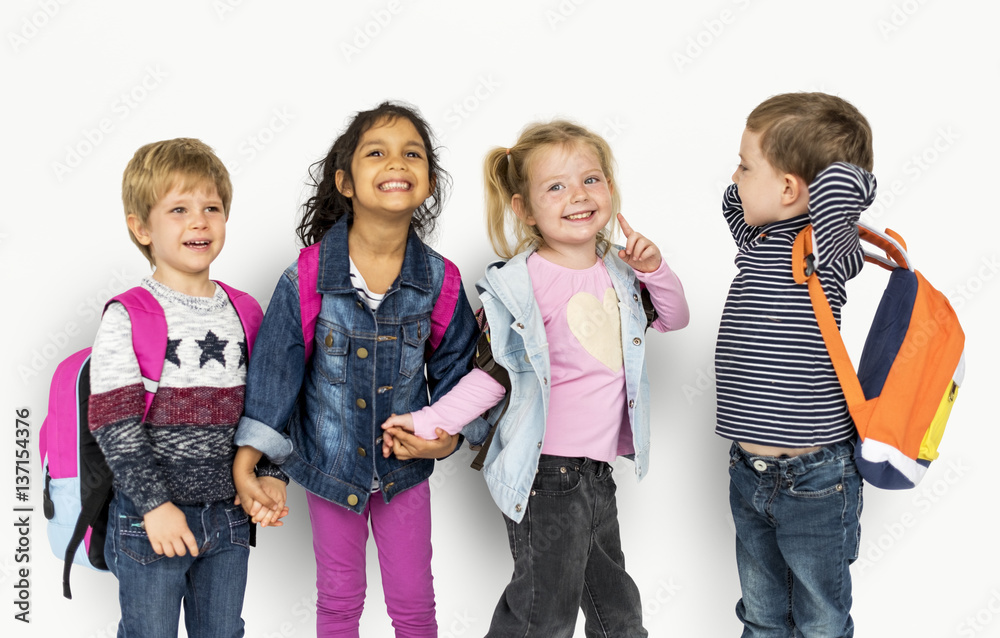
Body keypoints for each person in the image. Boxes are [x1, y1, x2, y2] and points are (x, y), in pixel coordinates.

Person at [382, 120, 690, 636]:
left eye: (591, 180)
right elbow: (493, 377)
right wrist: (429, 419)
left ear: (610, 189)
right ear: (524, 208)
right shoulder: (520, 286)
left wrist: (655, 268)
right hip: (546, 475)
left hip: (596, 473)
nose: (578, 196)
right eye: (556, 186)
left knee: (616, 606)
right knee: (542, 610)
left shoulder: (620, 271)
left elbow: (673, 316)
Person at [231, 102, 478, 637]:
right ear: (345, 180)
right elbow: (276, 377)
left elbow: (463, 378)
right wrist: (248, 462)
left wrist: (448, 441)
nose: (397, 162)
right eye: (376, 152)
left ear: (429, 182)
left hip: (405, 474)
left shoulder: (440, 281)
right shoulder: (306, 278)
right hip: (330, 470)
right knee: (340, 601)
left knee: (414, 602)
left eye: (412, 153)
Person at [89, 138, 285, 637]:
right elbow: (114, 424)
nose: (199, 221)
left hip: (229, 519)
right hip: (149, 520)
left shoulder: (246, 312)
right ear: (141, 228)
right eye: (178, 209)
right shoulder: (129, 314)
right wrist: (154, 506)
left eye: (211, 208)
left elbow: (272, 406)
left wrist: (270, 475)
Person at [715, 92, 877, 637]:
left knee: (820, 621)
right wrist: (761, 176)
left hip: (816, 479)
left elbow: (845, 186)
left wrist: (816, 169)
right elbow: (731, 202)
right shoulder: (759, 240)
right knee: (761, 616)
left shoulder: (828, 249)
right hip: (749, 471)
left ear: (789, 187)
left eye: (744, 164)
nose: (734, 176)